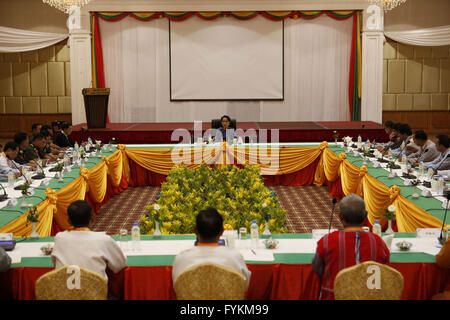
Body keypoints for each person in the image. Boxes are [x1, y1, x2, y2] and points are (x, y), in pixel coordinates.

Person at [312, 194, 390, 300]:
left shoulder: (327, 241)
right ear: (366, 215)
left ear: (340, 217)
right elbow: (385, 267)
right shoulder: (378, 242)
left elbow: (317, 269)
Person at [172, 208, 251, 290]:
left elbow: (177, 287)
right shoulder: (235, 257)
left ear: (195, 230)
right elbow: (244, 286)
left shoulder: (182, 258)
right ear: (222, 232)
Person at [51, 200, 127, 280]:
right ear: (93, 218)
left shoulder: (59, 238)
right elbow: (120, 264)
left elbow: (55, 262)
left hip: (63, 291)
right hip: (95, 291)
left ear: (69, 221)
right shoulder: (103, 239)